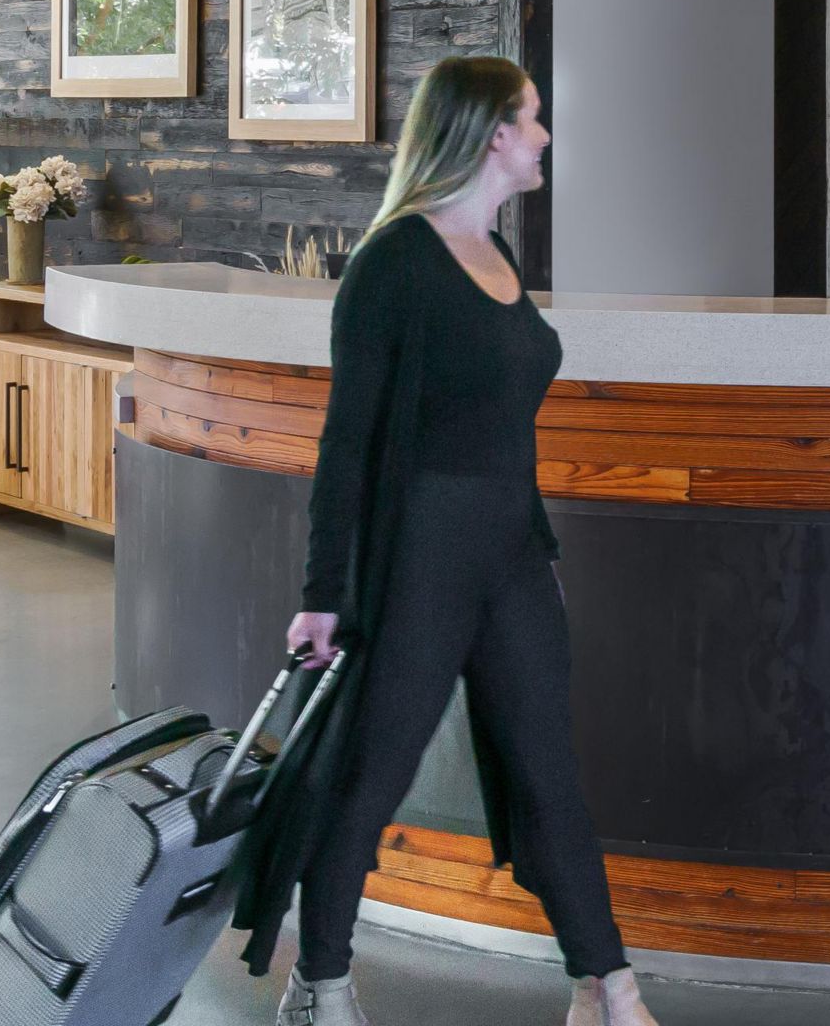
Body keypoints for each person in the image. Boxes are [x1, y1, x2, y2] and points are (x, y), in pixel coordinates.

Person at [276, 57, 660, 1026]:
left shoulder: (495, 252)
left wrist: (536, 553)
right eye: (532, 118)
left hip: (508, 557)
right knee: (370, 774)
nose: (544, 136)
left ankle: (605, 984)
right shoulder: (393, 263)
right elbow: (346, 443)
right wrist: (323, 592)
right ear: (491, 132)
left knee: (547, 773)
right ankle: (320, 982)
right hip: (419, 557)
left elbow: (503, 436)